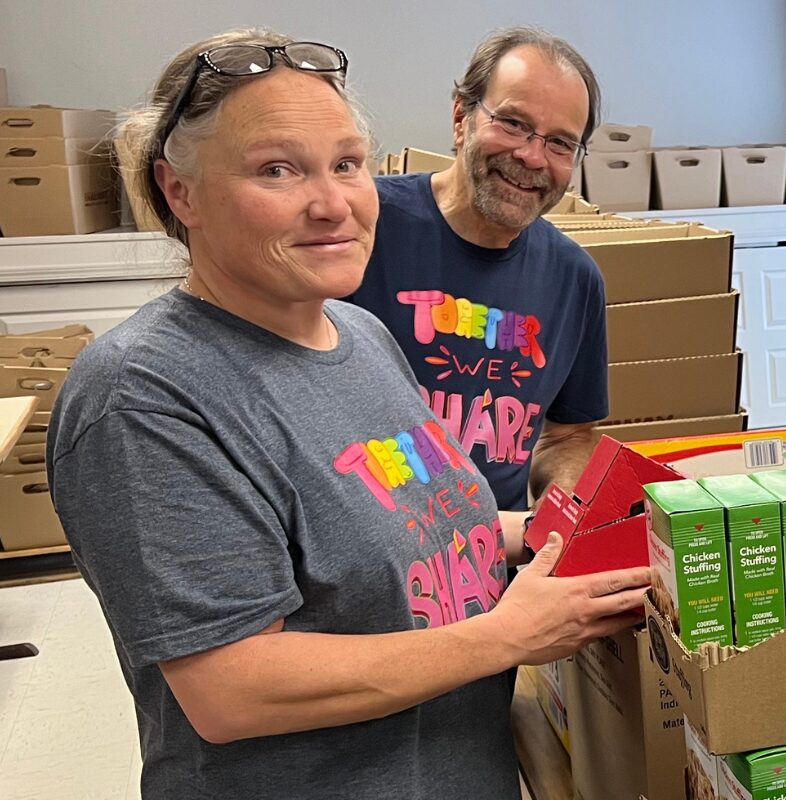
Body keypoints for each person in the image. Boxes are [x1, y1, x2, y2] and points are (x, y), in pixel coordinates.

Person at [47, 29, 650, 798]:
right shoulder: (144, 395)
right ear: (180, 191)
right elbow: (234, 687)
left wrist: (554, 532)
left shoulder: (357, 333)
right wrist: (509, 635)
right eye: (277, 170)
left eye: (346, 164)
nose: (332, 203)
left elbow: (419, 521)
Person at [344, 26, 609, 511]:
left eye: (560, 144)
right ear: (461, 117)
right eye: (512, 123)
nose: (532, 156)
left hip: (497, 572)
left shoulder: (576, 279)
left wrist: (560, 510)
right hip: (362, 570)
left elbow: (568, 436)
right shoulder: (359, 229)